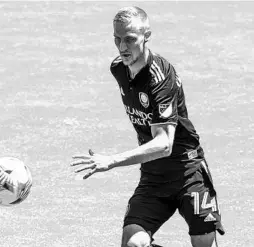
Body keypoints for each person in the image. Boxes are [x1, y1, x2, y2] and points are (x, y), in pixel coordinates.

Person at [70, 6, 225, 247]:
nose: (123, 48)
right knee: (132, 244)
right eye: (117, 39)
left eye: (130, 39)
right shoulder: (118, 69)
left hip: (188, 172)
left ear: (147, 36)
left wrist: (111, 160)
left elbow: (164, 144)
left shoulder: (161, 76)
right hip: (153, 177)